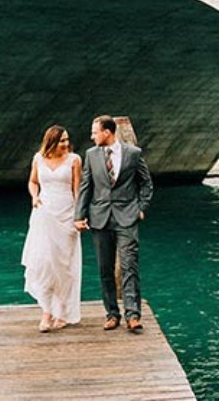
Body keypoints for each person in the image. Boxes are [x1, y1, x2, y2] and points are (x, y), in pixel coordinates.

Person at [74, 115, 153, 334]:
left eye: (95, 132)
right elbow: (85, 187)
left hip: (127, 216)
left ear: (107, 132)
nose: (92, 136)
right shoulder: (91, 155)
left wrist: (141, 208)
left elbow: (146, 182)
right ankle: (112, 314)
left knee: (129, 265)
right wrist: (79, 216)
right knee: (104, 268)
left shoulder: (133, 154)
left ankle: (133, 315)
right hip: (100, 217)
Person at [21, 125, 82, 332]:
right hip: (44, 213)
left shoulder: (74, 160)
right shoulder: (38, 158)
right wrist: (34, 196)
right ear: (52, 142)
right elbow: (32, 181)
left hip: (66, 214)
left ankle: (62, 312)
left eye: (67, 140)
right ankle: (46, 312)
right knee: (44, 262)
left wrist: (79, 217)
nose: (66, 144)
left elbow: (77, 190)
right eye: (62, 141)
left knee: (64, 266)